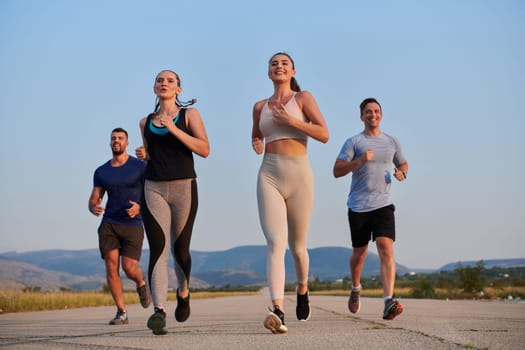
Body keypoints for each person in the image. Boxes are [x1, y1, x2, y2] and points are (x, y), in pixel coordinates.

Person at [251, 52, 329, 334]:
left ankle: (303, 288)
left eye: (284, 63)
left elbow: (323, 133)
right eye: (273, 63)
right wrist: (257, 141)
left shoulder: (303, 98)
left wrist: (292, 121)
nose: (279, 66)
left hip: (299, 175)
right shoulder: (260, 106)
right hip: (269, 173)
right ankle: (278, 310)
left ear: (293, 70)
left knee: (297, 247)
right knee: (275, 243)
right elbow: (256, 134)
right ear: (268, 72)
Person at [135, 69, 210, 335]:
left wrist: (173, 129)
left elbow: (204, 149)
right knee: (158, 248)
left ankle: (184, 290)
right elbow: (151, 157)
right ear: (154, 88)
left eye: (169, 81)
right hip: (153, 187)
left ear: (178, 89)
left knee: (180, 251)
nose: (163, 83)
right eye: (159, 80)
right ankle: (159, 311)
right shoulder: (145, 122)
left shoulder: (189, 115)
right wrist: (144, 155)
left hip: (184, 187)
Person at [333, 97, 408, 320]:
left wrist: (402, 173)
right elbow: (337, 170)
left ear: (381, 115)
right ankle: (356, 288)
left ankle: (388, 301)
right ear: (362, 116)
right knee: (360, 254)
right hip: (358, 206)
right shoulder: (354, 142)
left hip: (383, 204)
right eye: (368, 112)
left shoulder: (392, 141)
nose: (372, 114)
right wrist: (358, 161)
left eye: (376, 111)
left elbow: (403, 164)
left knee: (386, 247)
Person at [88, 127, 151, 325]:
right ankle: (121, 312)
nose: (116, 141)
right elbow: (94, 198)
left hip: (133, 223)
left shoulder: (140, 166)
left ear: (127, 142)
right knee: (111, 265)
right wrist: (93, 207)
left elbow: (151, 191)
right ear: (110, 143)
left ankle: (141, 283)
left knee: (130, 268)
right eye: (113, 138)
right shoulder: (101, 171)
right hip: (109, 223)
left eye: (120, 138)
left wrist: (140, 207)